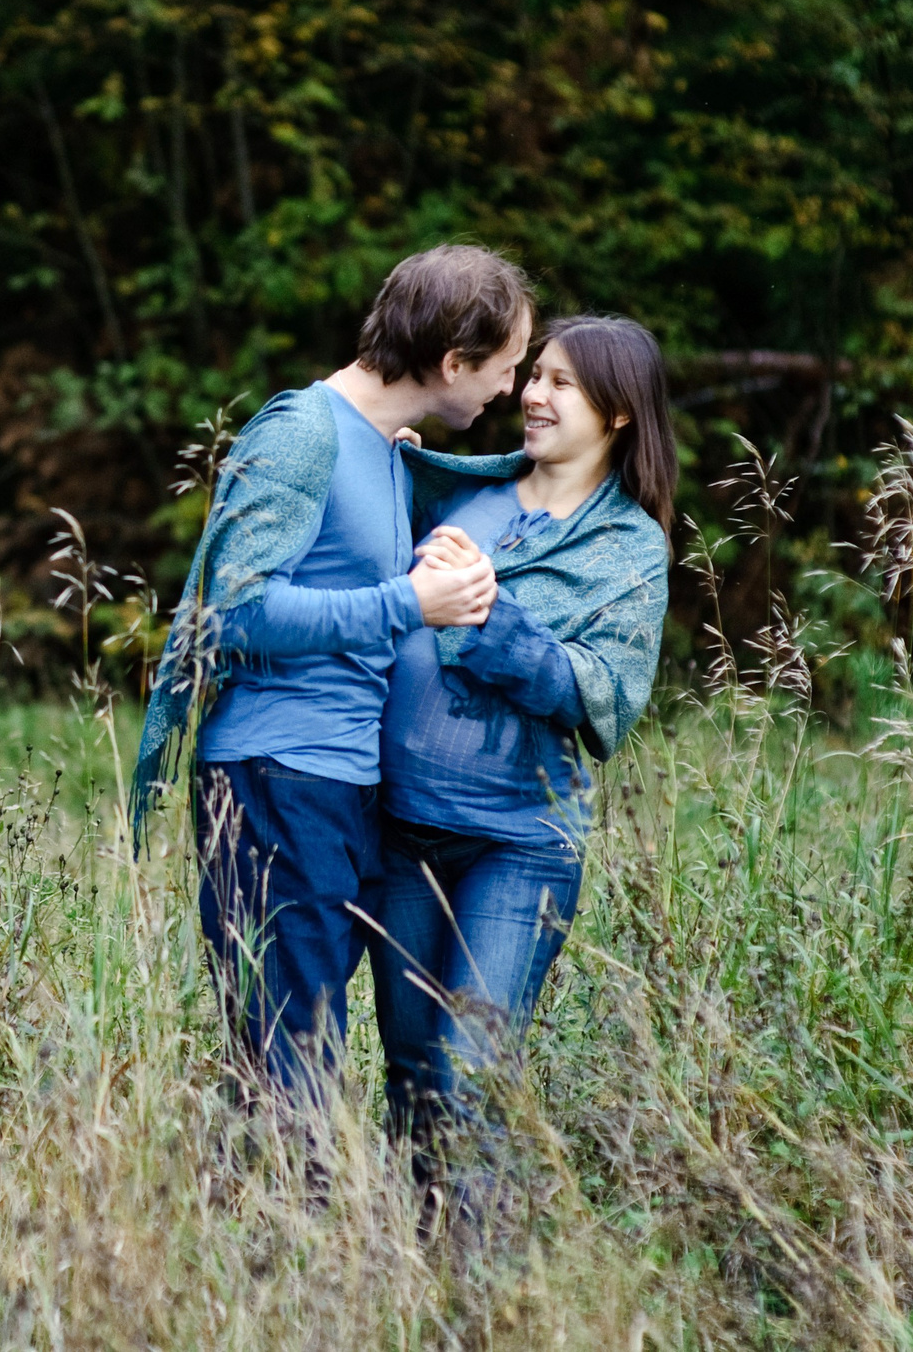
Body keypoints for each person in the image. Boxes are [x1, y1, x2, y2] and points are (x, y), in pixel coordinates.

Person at [133, 245, 533, 1105]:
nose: (511, 390)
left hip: (344, 789)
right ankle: (298, 1233)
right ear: (452, 361)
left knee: (298, 1052)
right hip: (275, 780)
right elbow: (234, 613)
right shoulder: (301, 432)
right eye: (502, 369)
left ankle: (285, 1223)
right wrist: (409, 602)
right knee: (292, 1065)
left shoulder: (383, 447)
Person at [369, 314, 675, 1194]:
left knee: (469, 1072)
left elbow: (599, 694)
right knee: (413, 1074)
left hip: (518, 845)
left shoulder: (628, 549)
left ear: (618, 413)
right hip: (402, 835)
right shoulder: (465, 494)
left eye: (561, 383)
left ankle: (487, 1295)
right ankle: (411, 1279)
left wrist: (488, 612)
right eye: (534, 375)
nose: (532, 396)